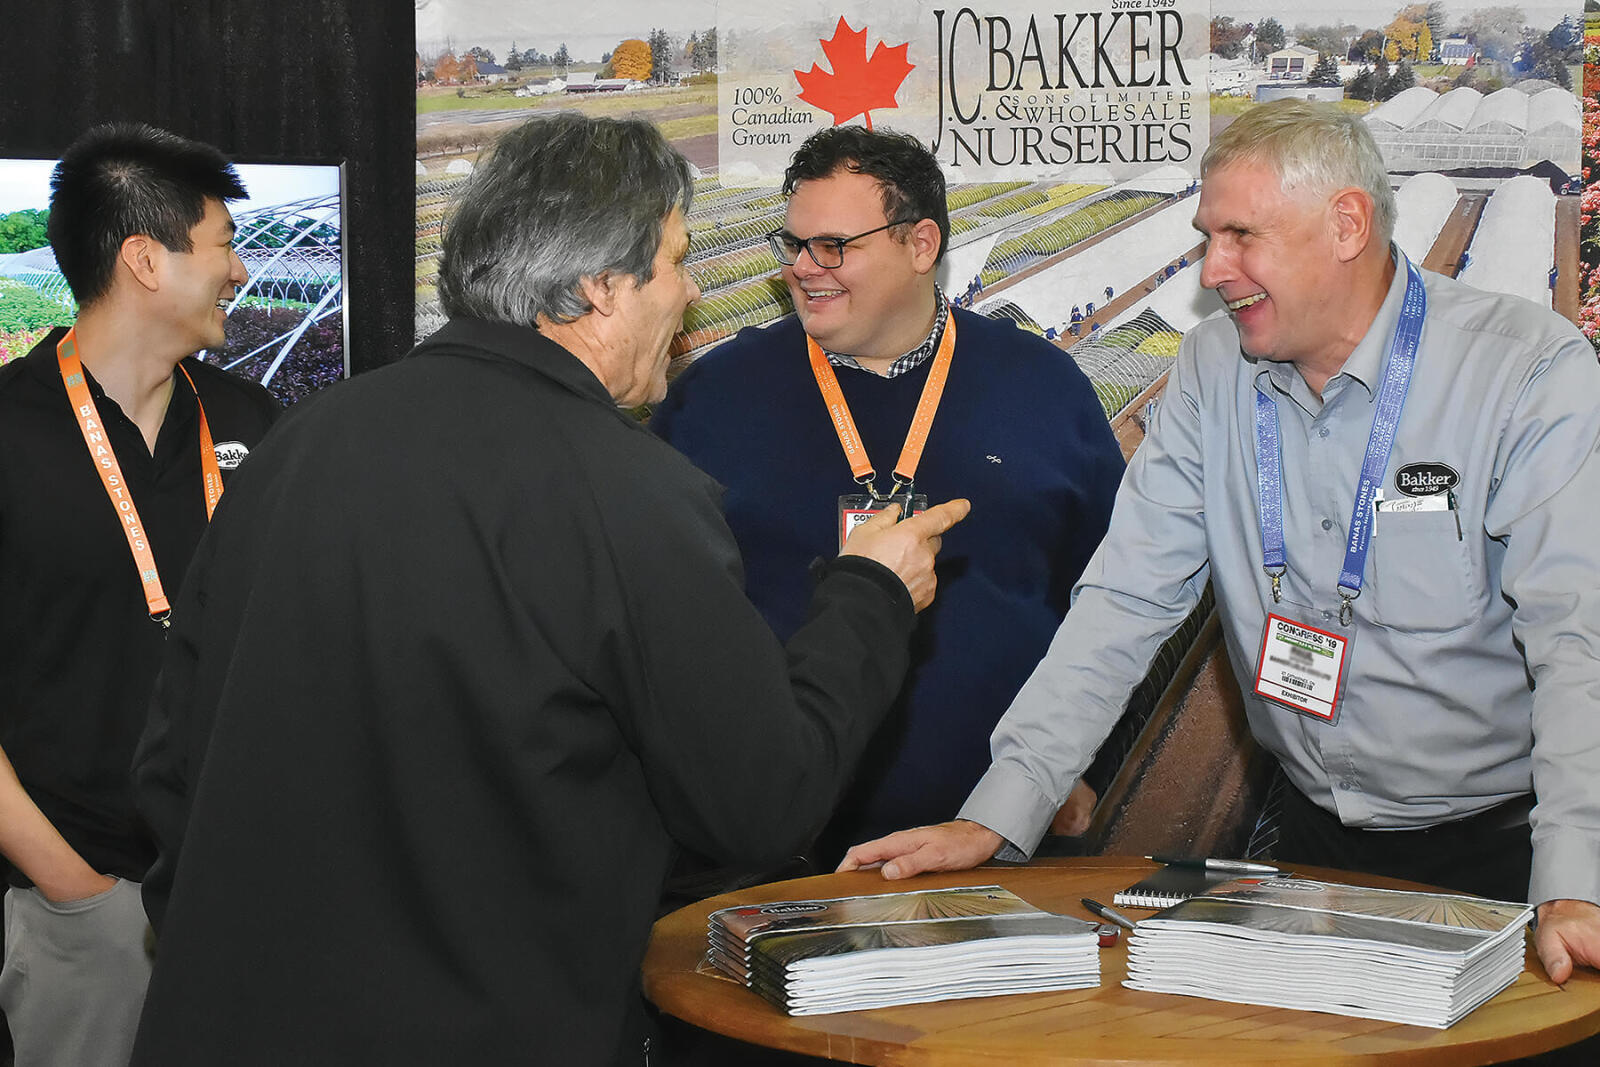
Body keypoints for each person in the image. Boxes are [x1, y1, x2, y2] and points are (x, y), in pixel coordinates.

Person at [128, 113, 967, 1066]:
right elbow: (761, 803)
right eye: (677, 262)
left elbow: (170, 763)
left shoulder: (300, 443)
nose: (691, 294)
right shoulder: (628, 493)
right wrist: (870, 593)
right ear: (600, 290)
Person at [841, 100, 1600, 986]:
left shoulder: (1525, 373)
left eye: (1241, 235)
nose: (1215, 269)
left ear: (1346, 224)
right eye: (1208, 236)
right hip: (1311, 842)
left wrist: (1577, 880)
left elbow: (1577, 637)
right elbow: (1125, 597)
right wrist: (1002, 811)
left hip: (1506, 863)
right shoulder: (1211, 369)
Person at [652, 126, 1122, 866]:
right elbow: (668, 629)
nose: (805, 269)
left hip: (1003, 839)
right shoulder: (711, 401)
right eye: (794, 244)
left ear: (920, 243)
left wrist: (1086, 764)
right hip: (779, 855)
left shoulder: (1044, 389)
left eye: (834, 246)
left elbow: (1110, 601)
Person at [0, 124, 279, 1067]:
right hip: (83, 904)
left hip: (242, 894)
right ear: (145, 260)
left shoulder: (253, 421)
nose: (240, 271)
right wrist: (75, 890)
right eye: (224, 246)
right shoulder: (8, 433)